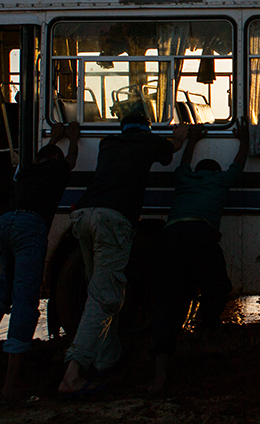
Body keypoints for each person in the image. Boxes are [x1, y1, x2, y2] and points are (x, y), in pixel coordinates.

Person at [58, 111, 189, 397]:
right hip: (112, 221)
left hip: (82, 215)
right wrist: (180, 136)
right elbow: (173, 149)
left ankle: (106, 360)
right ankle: (73, 373)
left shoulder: (108, 144)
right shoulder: (147, 143)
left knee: (99, 291)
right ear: (146, 129)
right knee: (105, 298)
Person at [147, 118, 249, 394]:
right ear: (215, 172)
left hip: (170, 237)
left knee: (169, 302)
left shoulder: (183, 179)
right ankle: (205, 335)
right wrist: (245, 138)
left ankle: (159, 375)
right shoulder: (220, 181)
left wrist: (192, 138)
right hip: (200, 236)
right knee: (218, 288)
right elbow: (239, 163)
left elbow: (184, 161)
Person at [0, 121, 80, 399]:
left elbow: (44, 156)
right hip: (29, 227)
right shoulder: (57, 169)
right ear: (55, 160)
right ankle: (11, 383)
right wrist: (71, 139)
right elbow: (70, 160)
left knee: (6, 281)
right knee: (25, 298)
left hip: (4, 223)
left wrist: (55, 137)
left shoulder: (25, 171)